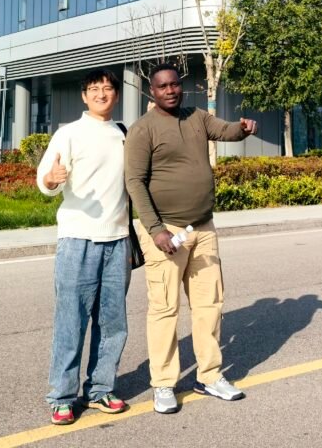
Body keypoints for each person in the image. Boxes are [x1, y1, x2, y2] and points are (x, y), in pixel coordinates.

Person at [124, 63, 257, 415]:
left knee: (209, 305)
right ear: (152, 91)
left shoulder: (197, 116)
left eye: (175, 85)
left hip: (203, 228)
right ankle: (164, 384)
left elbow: (225, 131)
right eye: (163, 86)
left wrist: (242, 129)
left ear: (182, 87)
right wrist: (155, 230)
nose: (171, 90)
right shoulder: (143, 129)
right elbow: (135, 182)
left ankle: (209, 376)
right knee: (165, 308)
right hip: (166, 231)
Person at [36, 68, 131, 426]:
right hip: (77, 239)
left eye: (108, 88)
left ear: (117, 95)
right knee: (70, 322)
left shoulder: (124, 133)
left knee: (112, 322)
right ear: (84, 95)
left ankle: (101, 389)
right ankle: (61, 396)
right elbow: (45, 178)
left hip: (118, 240)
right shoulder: (69, 133)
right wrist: (51, 179)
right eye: (94, 89)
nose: (101, 94)